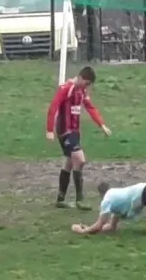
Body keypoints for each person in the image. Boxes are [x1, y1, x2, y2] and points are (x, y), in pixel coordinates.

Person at [46, 66, 111, 210]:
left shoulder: (82, 91)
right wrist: (49, 130)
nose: (86, 87)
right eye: (86, 83)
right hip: (65, 131)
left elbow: (90, 108)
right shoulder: (66, 88)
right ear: (81, 78)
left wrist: (102, 125)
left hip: (75, 132)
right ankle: (80, 199)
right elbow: (53, 107)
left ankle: (60, 199)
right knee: (80, 160)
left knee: (69, 162)